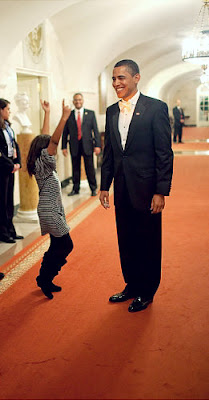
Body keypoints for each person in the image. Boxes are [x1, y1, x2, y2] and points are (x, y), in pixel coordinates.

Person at [100, 59, 173, 313]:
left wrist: (160, 191)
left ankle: (147, 290)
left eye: (121, 78)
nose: (116, 83)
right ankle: (131, 284)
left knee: (148, 241)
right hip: (122, 188)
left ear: (136, 78)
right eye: (113, 78)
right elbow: (109, 152)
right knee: (127, 239)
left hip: (147, 189)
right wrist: (104, 185)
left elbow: (164, 153)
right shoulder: (111, 111)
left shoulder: (156, 108)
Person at [26, 100, 73, 299]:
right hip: (50, 210)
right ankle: (45, 277)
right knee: (66, 245)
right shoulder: (44, 160)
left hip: (51, 209)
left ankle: (45, 277)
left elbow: (45, 138)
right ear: (44, 149)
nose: (53, 147)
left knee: (57, 245)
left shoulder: (39, 159)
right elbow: (52, 141)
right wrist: (63, 118)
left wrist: (47, 113)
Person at [0, 98, 24, 243]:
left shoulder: (8, 126)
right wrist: (10, 165)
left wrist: (18, 162)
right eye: (8, 109)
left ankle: (11, 230)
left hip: (10, 167)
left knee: (9, 201)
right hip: (0, 169)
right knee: (1, 202)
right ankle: (3, 233)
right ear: (0, 110)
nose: (9, 111)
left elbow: (15, 145)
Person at [61, 93, 101, 197]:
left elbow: (95, 130)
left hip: (87, 145)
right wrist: (64, 147)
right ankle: (75, 189)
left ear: (82, 101)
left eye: (79, 99)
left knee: (90, 168)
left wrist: (97, 145)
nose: (78, 102)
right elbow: (65, 132)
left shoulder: (90, 114)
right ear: (73, 102)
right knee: (75, 168)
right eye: (75, 100)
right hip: (74, 145)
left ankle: (93, 188)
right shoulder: (69, 114)